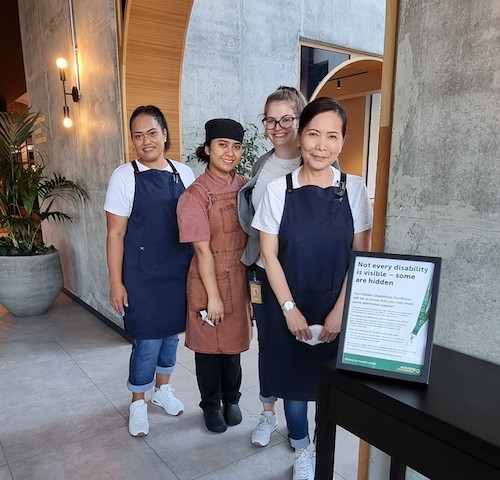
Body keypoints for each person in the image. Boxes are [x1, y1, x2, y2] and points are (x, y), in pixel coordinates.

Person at [251, 97, 373, 480]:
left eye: (332, 136)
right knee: (295, 384)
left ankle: (322, 445)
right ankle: (302, 448)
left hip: (336, 304)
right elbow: (269, 256)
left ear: (343, 141)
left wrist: (340, 311)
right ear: (300, 136)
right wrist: (289, 310)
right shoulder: (277, 190)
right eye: (314, 134)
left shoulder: (354, 189)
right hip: (289, 304)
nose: (322, 145)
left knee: (330, 386)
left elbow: (360, 257)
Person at [104, 105, 195, 437]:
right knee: (146, 339)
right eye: (138, 136)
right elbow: (114, 234)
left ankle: (163, 390)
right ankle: (138, 401)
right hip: (141, 275)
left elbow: (194, 226)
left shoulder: (183, 173)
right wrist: (116, 282)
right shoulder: (124, 176)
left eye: (152, 133)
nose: (146, 141)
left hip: (177, 271)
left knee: (171, 334)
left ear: (165, 134)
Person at [238, 86, 310, 447]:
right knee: (268, 346)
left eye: (286, 119)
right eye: (271, 119)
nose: (278, 126)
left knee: (297, 350)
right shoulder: (262, 164)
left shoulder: (315, 165)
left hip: (299, 276)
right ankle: (268, 414)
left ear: (301, 119)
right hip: (262, 273)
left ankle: (300, 438)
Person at [177, 118, 253, 434]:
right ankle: (210, 405)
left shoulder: (246, 186)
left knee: (233, 347)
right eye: (222, 145)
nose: (230, 152)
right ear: (208, 149)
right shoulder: (195, 195)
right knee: (209, 350)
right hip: (207, 279)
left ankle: (231, 399)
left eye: (236, 146)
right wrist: (214, 296)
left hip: (239, 277)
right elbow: (202, 251)